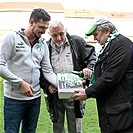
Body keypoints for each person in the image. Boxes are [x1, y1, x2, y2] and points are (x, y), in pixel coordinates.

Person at [72, 15, 133, 133]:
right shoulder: (110, 45)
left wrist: (88, 92)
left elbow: (111, 76)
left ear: (107, 31)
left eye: (96, 34)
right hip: (111, 109)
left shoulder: (122, 45)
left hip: (121, 111)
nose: (95, 39)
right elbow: (104, 72)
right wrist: (89, 79)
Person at [0, 8, 57, 133]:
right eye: (41, 27)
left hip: (34, 98)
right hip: (14, 99)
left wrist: (64, 86)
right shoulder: (12, 38)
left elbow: (48, 71)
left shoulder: (42, 44)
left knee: (30, 131)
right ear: (31, 22)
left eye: (46, 28)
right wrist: (20, 83)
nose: (44, 31)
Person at [39, 20, 96, 133]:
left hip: (75, 93)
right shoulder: (45, 47)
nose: (59, 38)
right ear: (49, 34)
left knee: (75, 125)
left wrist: (88, 69)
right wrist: (47, 85)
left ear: (66, 30)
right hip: (55, 94)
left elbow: (92, 57)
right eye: (54, 35)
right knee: (57, 126)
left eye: (61, 33)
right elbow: (39, 70)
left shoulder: (77, 42)